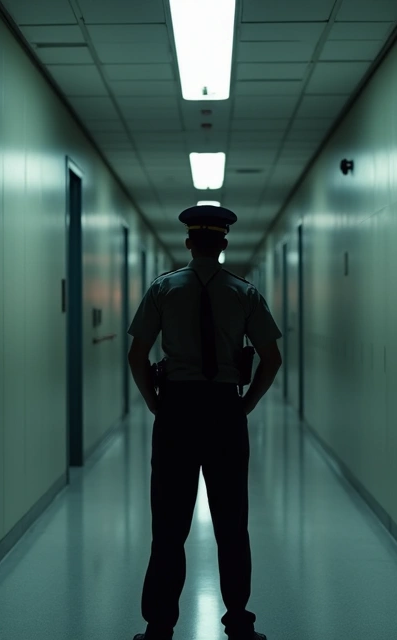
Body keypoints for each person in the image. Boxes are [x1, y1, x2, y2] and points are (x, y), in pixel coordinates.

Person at [126, 205, 284, 640]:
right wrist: (245, 405)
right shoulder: (245, 293)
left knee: (169, 526)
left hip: (177, 410)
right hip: (224, 412)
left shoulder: (163, 290)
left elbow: (137, 355)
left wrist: (156, 403)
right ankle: (238, 624)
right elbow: (272, 359)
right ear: (224, 245)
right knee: (232, 525)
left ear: (189, 241)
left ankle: (159, 626)